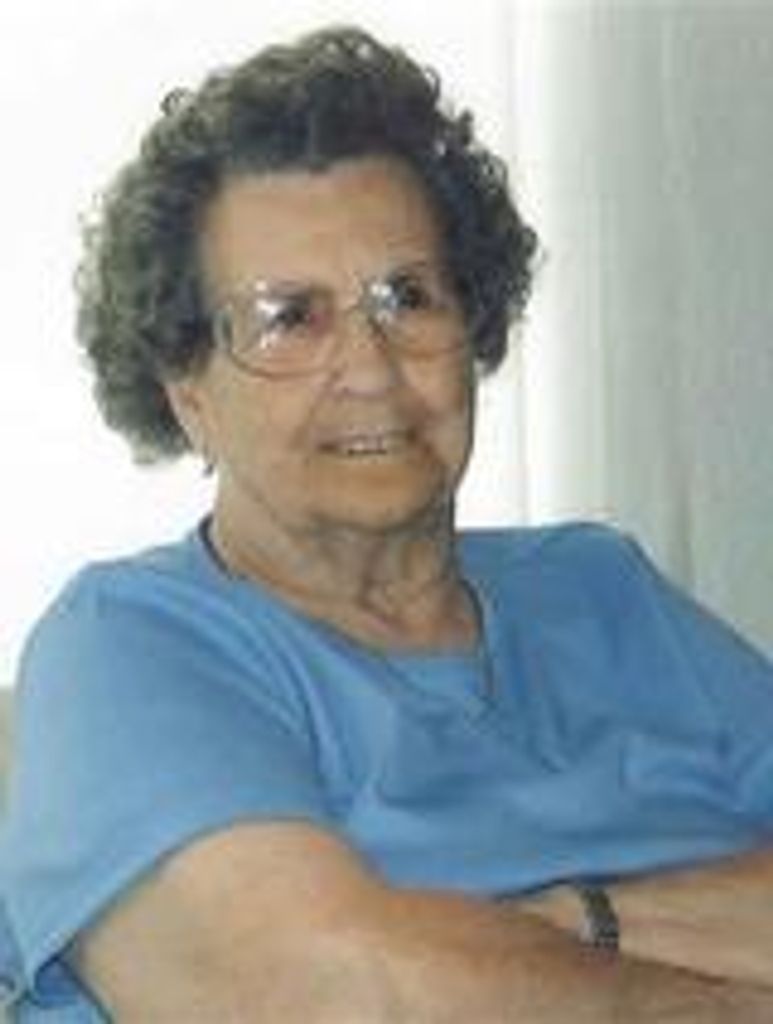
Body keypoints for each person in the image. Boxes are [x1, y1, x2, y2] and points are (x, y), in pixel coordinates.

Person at [1, 24, 773, 1022]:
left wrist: (571, 920)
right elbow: (306, 991)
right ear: (186, 390)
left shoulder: (599, 587)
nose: (369, 367)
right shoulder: (130, 642)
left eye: (406, 296)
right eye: (290, 316)